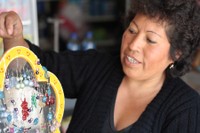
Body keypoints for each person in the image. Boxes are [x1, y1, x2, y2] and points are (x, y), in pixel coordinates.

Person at [0, 0, 200, 132]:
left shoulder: (185, 109)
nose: (133, 45)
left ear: (177, 53)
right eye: (132, 30)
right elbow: (36, 68)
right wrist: (13, 35)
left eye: (150, 40)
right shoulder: (97, 67)